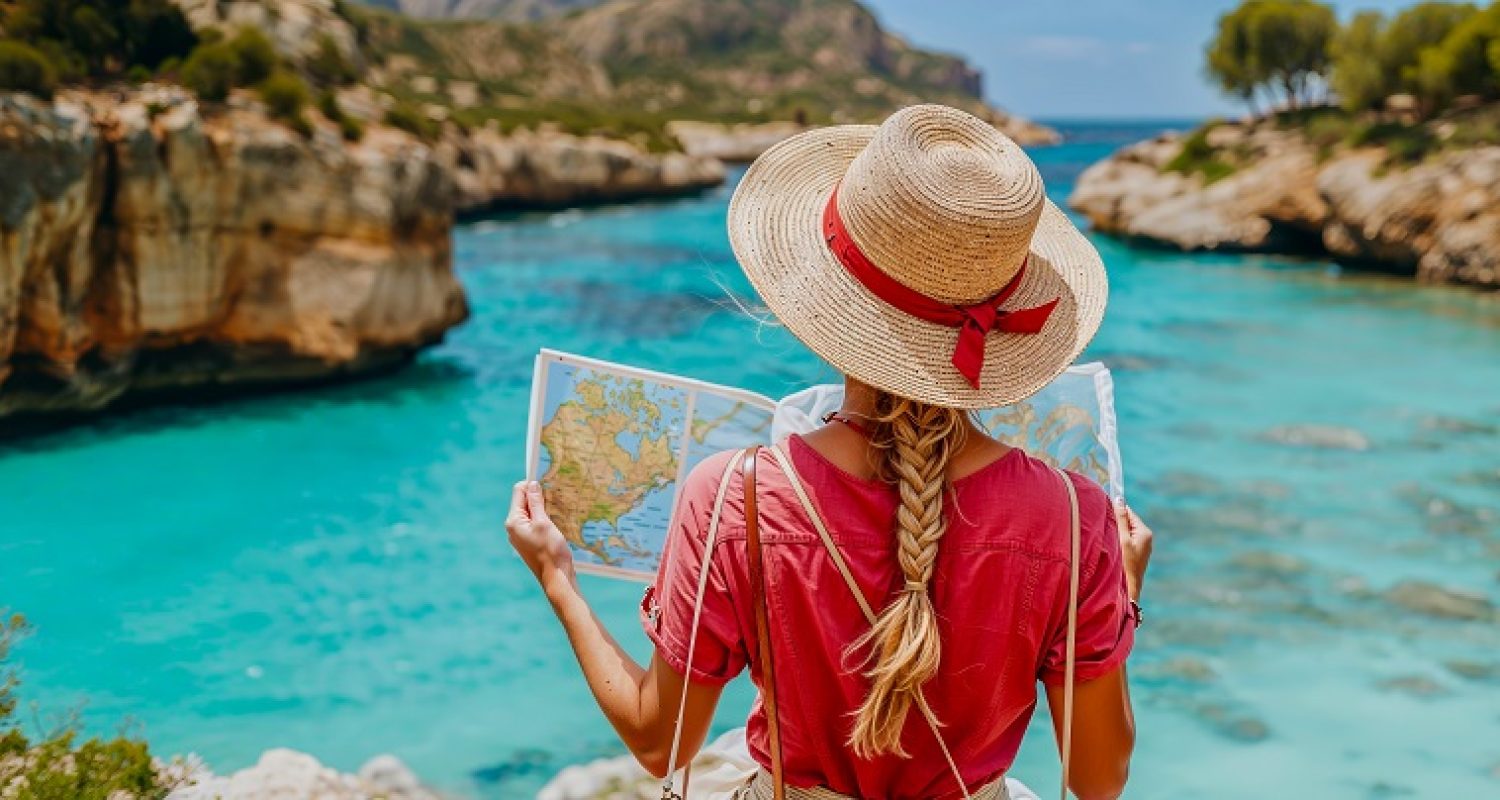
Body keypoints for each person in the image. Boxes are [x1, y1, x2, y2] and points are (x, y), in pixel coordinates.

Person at [507, 104, 1154, 800]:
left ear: (826, 306)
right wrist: (1123, 594)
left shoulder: (735, 497)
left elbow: (658, 740)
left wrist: (558, 579)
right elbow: (1098, 781)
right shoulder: (1073, 518)